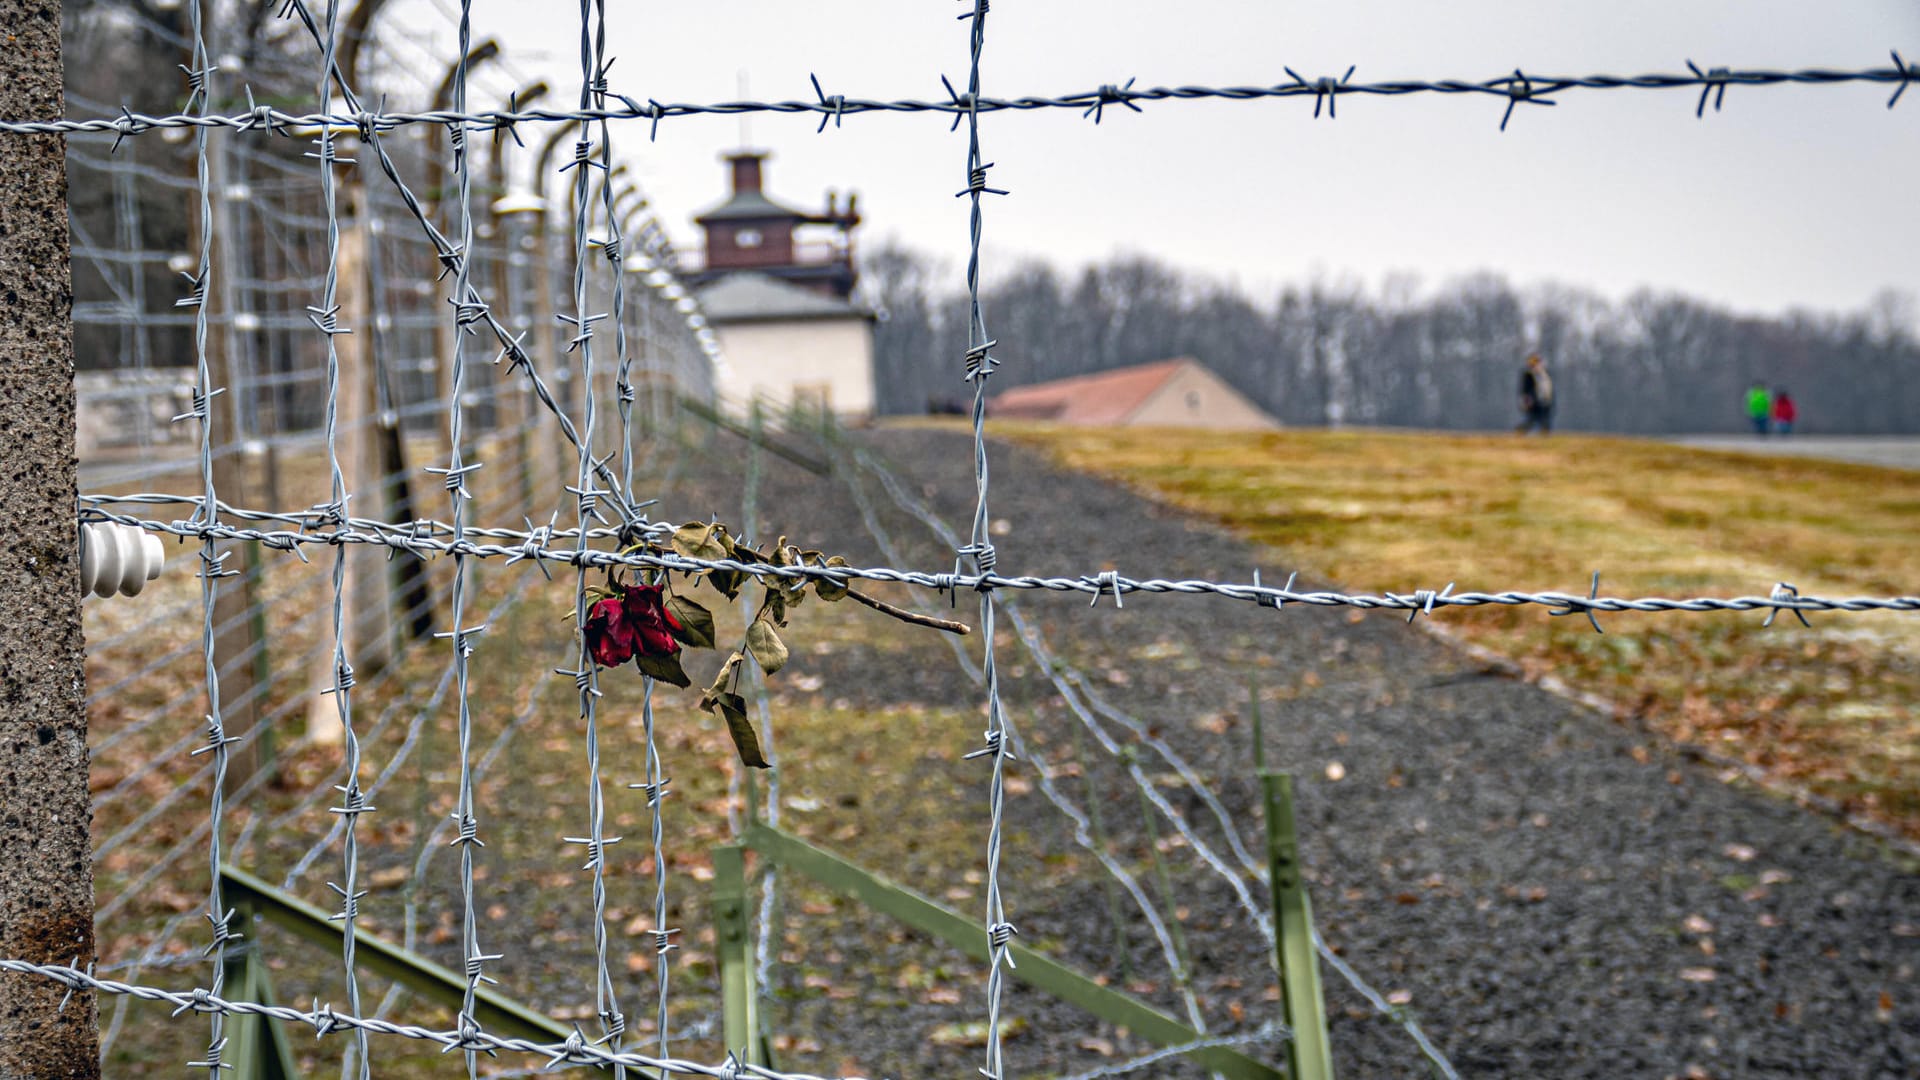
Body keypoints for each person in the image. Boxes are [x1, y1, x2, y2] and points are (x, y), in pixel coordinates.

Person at [1517, 353, 1554, 435]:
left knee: (1542, 418)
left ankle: (1544, 431)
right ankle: (1521, 430)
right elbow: (1525, 389)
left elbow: (1548, 388)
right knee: (1532, 419)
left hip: (1544, 401)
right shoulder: (1528, 375)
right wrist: (1526, 400)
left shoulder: (1544, 374)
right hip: (1533, 401)